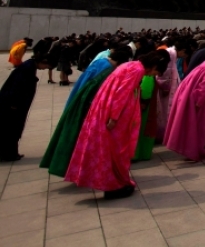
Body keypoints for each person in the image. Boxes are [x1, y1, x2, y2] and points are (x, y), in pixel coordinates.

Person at [65, 50, 170, 199]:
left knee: (108, 150)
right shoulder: (137, 71)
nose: (153, 75)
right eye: (156, 72)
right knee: (115, 151)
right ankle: (113, 186)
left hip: (105, 110)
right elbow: (121, 94)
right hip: (116, 118)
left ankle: (114, 183)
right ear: (153, 66)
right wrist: (114, 117)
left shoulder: (131, 65)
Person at [41, 48, 130, 176]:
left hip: (79, 98)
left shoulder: (100, 61)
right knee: (78, 136)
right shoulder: (106, 69)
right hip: (86, 104)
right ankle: (75, 167)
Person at [0, 54, 52, 161]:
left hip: (15, 104)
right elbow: (17, 87)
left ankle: (11, 153)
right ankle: (8, 154)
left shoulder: (29, 66)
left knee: (13, 129)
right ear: (42, 62)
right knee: (11, 129)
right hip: (12, 105)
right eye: (46, 66)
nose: (45, 68)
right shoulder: (27, 68)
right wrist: (14, 104)